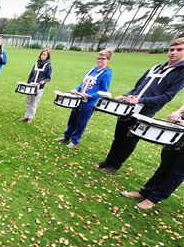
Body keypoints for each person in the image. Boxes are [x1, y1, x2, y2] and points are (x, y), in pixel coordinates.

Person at [97, 37, 184, 173]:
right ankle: (108, 161)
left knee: (130, 140)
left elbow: (167, 96)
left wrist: (140, 100)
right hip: (129, 108)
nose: (173, 52)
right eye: (171, 49)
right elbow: (137, 87)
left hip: (145, 112)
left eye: (179, 50)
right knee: (119, 136)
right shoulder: (155, 68)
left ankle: (115, 165)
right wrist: (126, 96)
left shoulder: (181, 73)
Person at [120, 105, 184, 210]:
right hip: (179, 131)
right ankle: (145, 193)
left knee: (177, 172)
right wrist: (178, 112)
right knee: (165, 165)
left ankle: (153, 199)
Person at [56, 49, 113, 149]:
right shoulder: (92, 70)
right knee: (72, 119)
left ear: (108, 60)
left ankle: (75, 141)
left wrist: (90, 96)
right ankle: (66, 136)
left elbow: (103, 91)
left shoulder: (106, 74)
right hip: (78, 99)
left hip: (89, 103)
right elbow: (83, 84)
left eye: (103, 58)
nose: (100, 60)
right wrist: (76, 90)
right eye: (98, 58)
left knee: (81, 122)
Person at [20, 48, 52, 123]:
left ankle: (31, 117)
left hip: (39, 87)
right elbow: (31, 74)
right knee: (28, 102)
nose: (42, 56)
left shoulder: (48, 66)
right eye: (42, 54)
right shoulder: (36, 63)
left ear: (47, 56)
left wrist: (44, 81)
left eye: (44, 54)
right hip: (31, 85)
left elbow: (48, 78)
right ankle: (26, 116)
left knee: (34, 103)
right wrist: (28, 84)